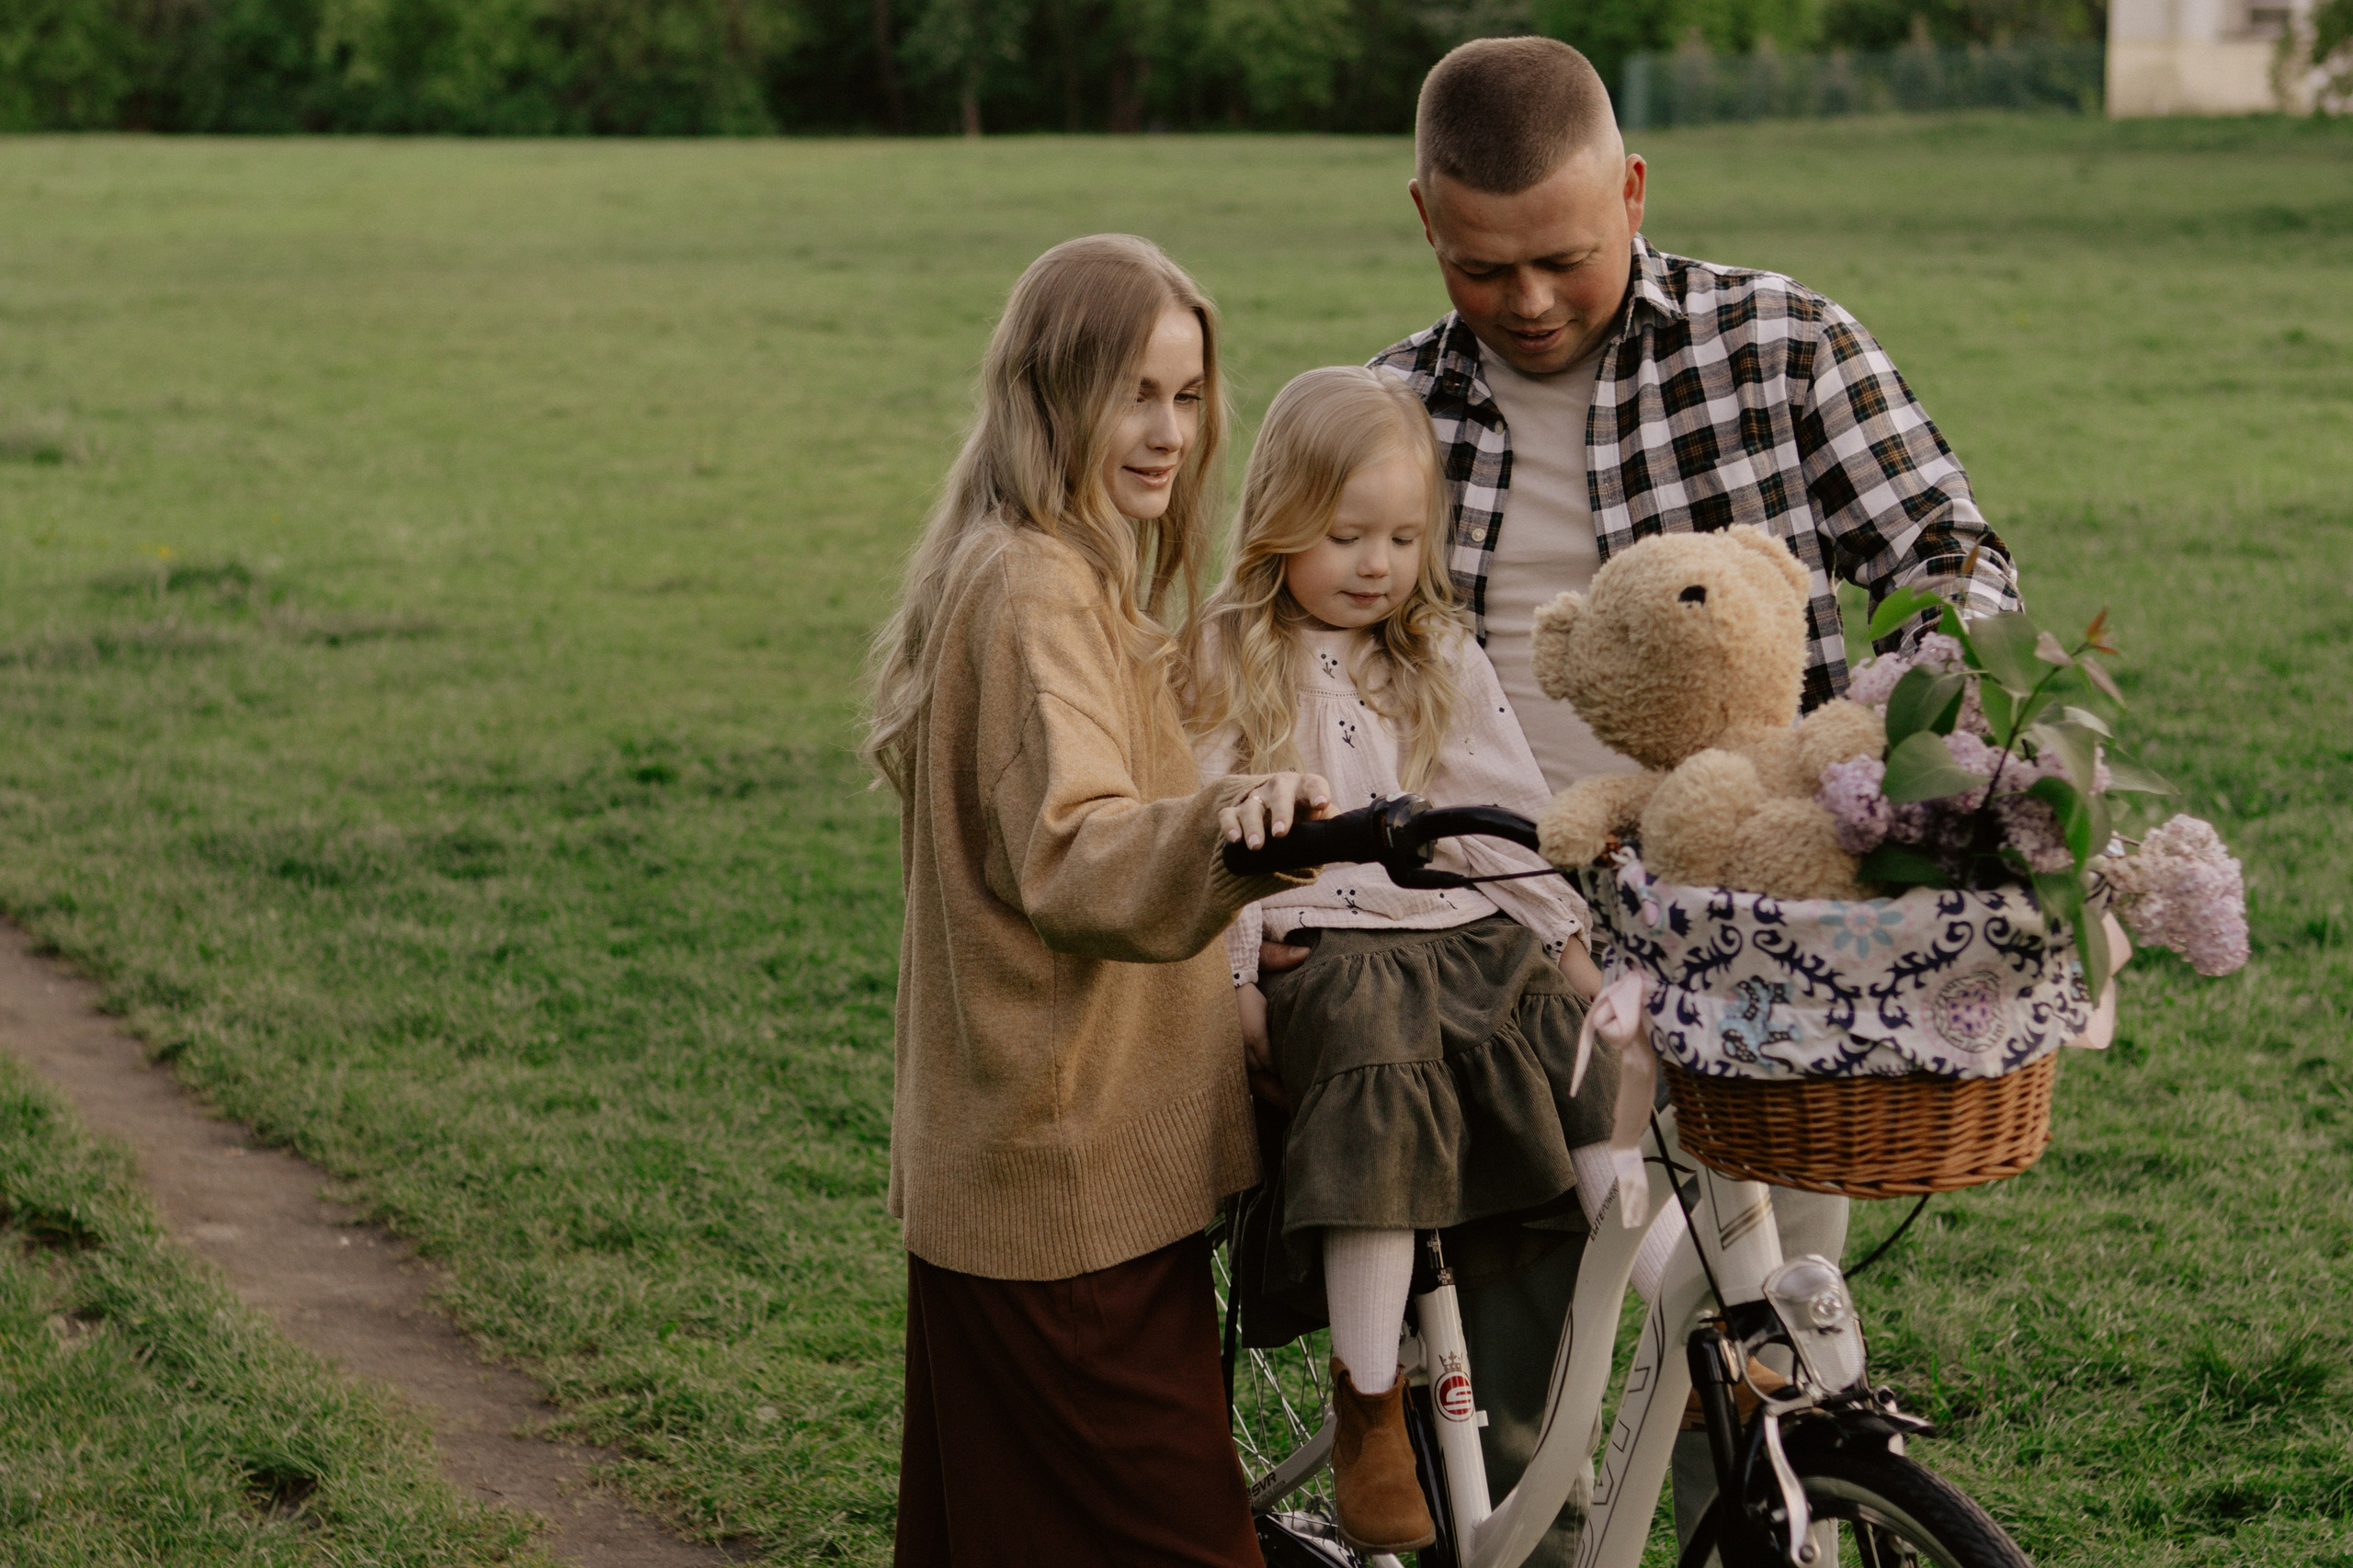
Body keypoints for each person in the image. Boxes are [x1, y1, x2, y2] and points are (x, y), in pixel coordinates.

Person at [1247, 35, 2027, 1562]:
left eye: (1564, 256)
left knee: (1752, 1344)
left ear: (1635, 189)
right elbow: (1283, 657)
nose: (1528, 301)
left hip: (1741, 918)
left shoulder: (1783, 344)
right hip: (1499, 946)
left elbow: (1961, 576)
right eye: (1483, 268)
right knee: (1527, 1353)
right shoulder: (1390, 406)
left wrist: (1869, 769)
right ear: (1424, 220)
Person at [866, 233, 1333, 1567]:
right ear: (1053, 390)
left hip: (1024, 1163)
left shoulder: (1057, 565)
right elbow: (1076, 853)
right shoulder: (1033, 591)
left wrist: (1224, 994)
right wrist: (1237, 841)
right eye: (1137, 392)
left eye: (1188, 396)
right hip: (1065, 1192)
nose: (1170, 431)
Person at [1183, 365, 1623, 1556]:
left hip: (1451, 926)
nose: (1376, 563)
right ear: (1278, 519)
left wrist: (1571, 951)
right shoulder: (1230, 656)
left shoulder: (1435, 651)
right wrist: (1233, 988)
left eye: (1401, 535)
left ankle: (1641, 1266)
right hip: (1323, 943)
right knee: (1377, 1065)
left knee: (1556, 1024)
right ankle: (1367, 1394)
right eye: (1344, 534)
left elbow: (1498, 813)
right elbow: (1203, 835)